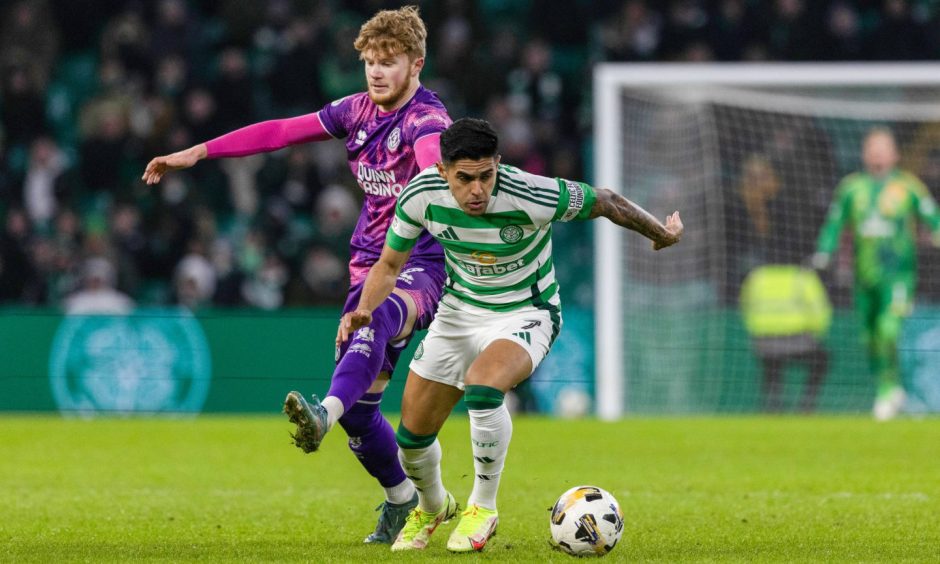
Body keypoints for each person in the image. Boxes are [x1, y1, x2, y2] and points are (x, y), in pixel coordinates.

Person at [141, 6, 452, 544]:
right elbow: (282, 131)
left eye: (389, 62)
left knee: (371, 320)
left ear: (416, 64)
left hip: (422, 264)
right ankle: (405, 498)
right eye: (370, 63)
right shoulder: (355, 111)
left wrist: (434, 174)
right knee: (365, 413)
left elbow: (432, 159)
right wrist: (198, 151)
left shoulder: (428, 121)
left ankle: (322, 414)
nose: (376, 72)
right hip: (369, 262)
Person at [337, 118, 683, 552]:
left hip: (527, 311)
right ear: (443, 172)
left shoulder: (531, 192)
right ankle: (432, 506)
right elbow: (388, 266)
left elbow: (607, 201)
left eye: (486, 175)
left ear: (498, 165)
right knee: (411, 437)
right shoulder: (420, 195)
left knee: (483, 388)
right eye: (465, 179)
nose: (477, 189)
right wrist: (363, 310)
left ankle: (483, 507)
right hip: (459, 312)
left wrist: (662, 234)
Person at [811, 127, 940, 421]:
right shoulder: (851, 188)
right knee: (870, 337)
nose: (877, 154)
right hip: (864, 277)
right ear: (864, 154)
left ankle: (886, 389)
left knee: (888, 329)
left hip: (898, 276)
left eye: (883, 148)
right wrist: (824, 251)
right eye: (872, 148)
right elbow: (834, 224)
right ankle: (891, 388)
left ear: (895, 154)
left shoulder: (909, 187)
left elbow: (933, 216)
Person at [739, 264, 831, 412]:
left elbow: (745, 306)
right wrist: (817, 334)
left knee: (772, 365)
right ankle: (807, 402)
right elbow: (819, 309)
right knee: (822, 359)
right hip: (799, 340)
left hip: (765, 341)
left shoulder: (757, 276)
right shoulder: (802, 276)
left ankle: (773, 402)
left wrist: (756, 332)